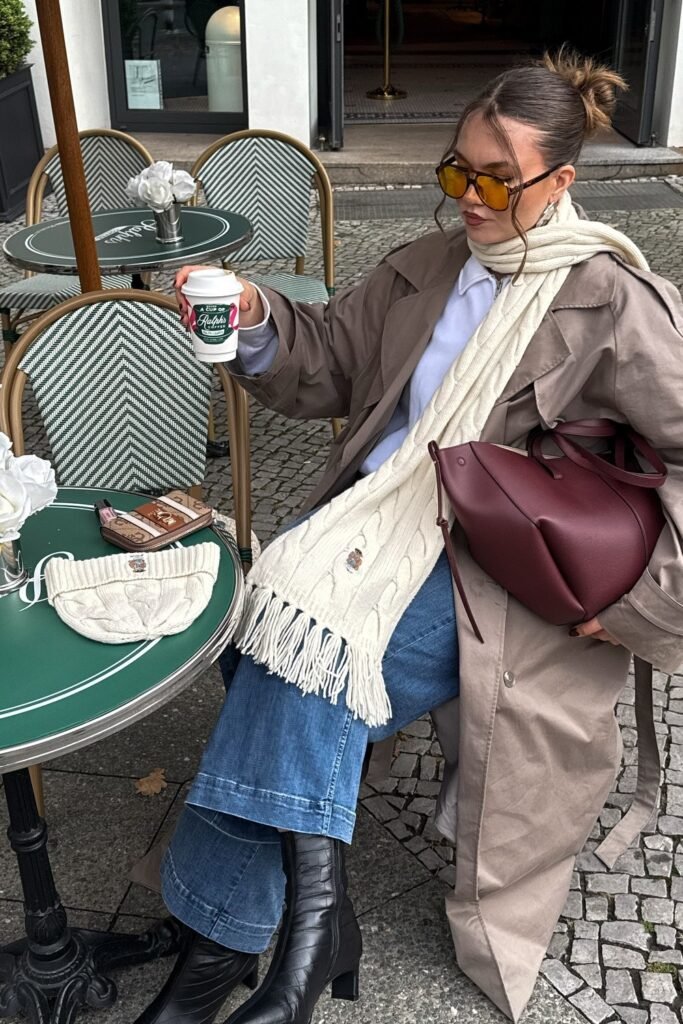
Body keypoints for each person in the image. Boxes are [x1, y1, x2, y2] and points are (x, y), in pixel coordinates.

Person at [136, 51, 683, 1024]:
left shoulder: (608, 300)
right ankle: (296, 934)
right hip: (374, 522)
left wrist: (636, 601)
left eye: (493, 180)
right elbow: (329, 364)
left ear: (559, 181)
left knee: (293, 659)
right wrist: (260, 317)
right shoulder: (426, 265)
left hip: (495, 571)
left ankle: (249, 958)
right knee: (273, 640)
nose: (467, 198)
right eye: (453, 171)